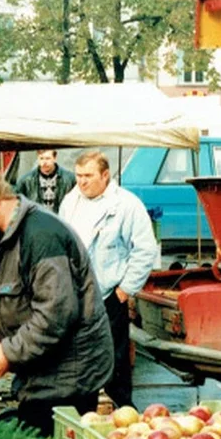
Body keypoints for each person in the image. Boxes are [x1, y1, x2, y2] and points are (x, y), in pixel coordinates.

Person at [0, 164, 113, 437]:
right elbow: (21, 295)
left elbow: (56, 314)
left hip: (68, 377)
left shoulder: (41, 235)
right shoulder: (4, 237)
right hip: (43, 373)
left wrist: (9, 351)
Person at [58, 150, 159, 409]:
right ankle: (83, 416)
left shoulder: (126, 205)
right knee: (80, 363)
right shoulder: (71, 202)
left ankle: (125, 413)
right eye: (78, 176)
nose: (82, 182)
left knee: (115, 363)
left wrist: (125, 290)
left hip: (109, 296)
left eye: (88, 176)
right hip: (78, 296)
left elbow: (145, 249)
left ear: (105, 175)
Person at [15, 149, 76, 214]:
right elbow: (18, 204)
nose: (44, 162)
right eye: (41, 158)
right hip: (37, 221)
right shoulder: (26, 181)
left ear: (55, 158)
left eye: (47, 158)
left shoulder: (70, 179)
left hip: (61, 220)